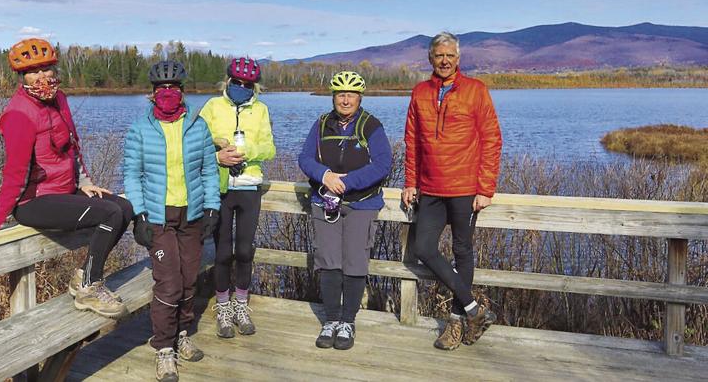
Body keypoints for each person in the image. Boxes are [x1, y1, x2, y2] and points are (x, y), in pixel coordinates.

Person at [0, 38, 131, 319]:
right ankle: (89, 287)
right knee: (109, 214)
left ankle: (83, 275)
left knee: (125, 208)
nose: (42, 76)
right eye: (34, 71)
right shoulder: (18, 114)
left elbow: (72, 145)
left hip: (65, 191)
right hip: (34, 202)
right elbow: (15, 174)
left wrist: (84, 183)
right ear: (22, 77)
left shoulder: (59, 99)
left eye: (47, 69)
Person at [402, 32, 502, 350]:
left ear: (458, 59)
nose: (444, 61)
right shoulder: (419, 93)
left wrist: (485, 188)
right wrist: (410, 182)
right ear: (430, 59)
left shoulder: (476, 91)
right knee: (423, 248)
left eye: (450, 56)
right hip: (430, 188)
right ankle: (475, 310)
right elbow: (412, 143)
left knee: (462, 252)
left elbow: (491, 140)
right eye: (438, 55)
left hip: (464, 189)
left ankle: (457, 323)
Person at [123, 60, 220, 382]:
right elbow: (132, 175)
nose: (167, 93)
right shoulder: (140, 129)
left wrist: (212, 209)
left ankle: (181, 334)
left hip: (190, 215)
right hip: (159, 218)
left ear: (182, 91)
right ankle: (164, 348)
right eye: (161, 89)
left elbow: (208, 171)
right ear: (152, 94)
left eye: (173, 88)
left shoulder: (197, 125)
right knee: (169, 283)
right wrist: (139, 215)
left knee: (190, 280)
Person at [298, 71, 392, 350]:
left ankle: (348, 322)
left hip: (362, 203)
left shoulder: (371, 125)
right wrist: (325, 175)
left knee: (354, 262)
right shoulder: (322, 124)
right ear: (333, 96)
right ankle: (331, 320)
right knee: (328, 261)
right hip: (325, 202)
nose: (346, 99)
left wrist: (346, 182)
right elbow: (304, 157)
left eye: (351, 94)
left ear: (360, 97)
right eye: (341, 94)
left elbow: (383, 164)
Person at [199, 57, 276, 339]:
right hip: (219, 188)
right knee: (222, 252)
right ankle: (223, 308)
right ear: (228, 81)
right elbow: (194, 141)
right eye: (237, 82)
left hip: (249, 186)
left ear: (255, 87)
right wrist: (217, 154)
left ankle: (241, 305)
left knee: (244, 251)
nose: (242, 87)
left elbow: (270, 148)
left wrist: (247, 150)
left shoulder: (261, 110)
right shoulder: (212, 107)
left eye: (248, 84)